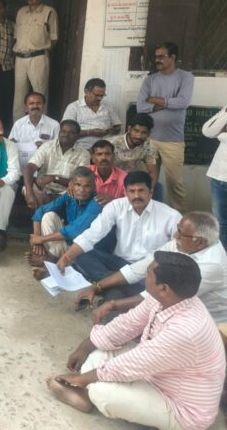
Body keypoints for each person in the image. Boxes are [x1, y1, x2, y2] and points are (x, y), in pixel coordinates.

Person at [47, 251, 225, 430]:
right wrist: (84, 347)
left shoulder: (186, 331)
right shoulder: (166, 299)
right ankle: (89, 394)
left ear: (164, 288)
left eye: (148, 273)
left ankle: (88, 395)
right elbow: (127, 324)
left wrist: (81, 379)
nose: (144, 275)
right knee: (99, 351)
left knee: (103, 393)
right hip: (158, 373)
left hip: (180, 406)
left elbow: (132, 364)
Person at [76, 212, 227, 324]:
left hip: (190, 317)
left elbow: (162, 298)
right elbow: (139, 268)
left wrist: (113, 304)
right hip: (161, 294)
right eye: (178, 229)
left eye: (181, 233)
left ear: (200, 242)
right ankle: (118, 314)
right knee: (110, 279)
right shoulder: (184, 242)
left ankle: (118, 319)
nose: (175, 235)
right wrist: (96, 287)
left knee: (120, 310)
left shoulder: (212, 265)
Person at [56, 172, 182, 283]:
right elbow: (92, 234)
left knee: (155, 278)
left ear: (151, 192)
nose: (136, 196)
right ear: (125, 192)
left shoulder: (171, 216)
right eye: (132, 191)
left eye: (141, 190)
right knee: (80, 255)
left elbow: (179, 250)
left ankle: (109, 284)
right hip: (119, 263)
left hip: (148, 269)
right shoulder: (116, 206)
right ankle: (114, 282)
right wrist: (67, 257)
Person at [136, 42, 194, 213]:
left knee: (175, 183)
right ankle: (147, 214)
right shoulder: (150, 79)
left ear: (172, 57)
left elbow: (183, 102)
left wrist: (155, 100)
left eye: (161, 56)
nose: (157, 60)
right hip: (149, 141)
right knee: (148, 181)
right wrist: (168, 103)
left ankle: (180, 219)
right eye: (156, 57)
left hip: (173, 142)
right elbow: (140, 107)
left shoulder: (185, 77)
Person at [27, 167, 102, 276]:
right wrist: (38, 242)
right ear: (71, 185)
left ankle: (48, 264)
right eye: (78, 185)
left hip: (86, 249)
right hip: (69, 241)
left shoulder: (96, 202)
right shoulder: (69, 195)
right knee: (48, 216)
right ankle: (47, 257)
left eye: (87, 186)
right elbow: (40, 211)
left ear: (94, 187)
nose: (82, 189)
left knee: (58, 247)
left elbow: (74, 231)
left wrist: (41, 239)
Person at [12, 0, 58, 119]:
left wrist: (43, 51)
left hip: (38, 58)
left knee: (40, 94)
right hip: (20, 58)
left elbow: (54, 38)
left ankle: (41, 126)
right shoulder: (21, 12)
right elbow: (16, 36)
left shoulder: (49, 12)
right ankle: (18, 126)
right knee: (19, 95)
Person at [23, 120, 89, 209]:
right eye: (63, 131)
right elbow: (29, 167)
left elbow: (79, 182)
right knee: (29, 189)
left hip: (66, 193)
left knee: (77, 192)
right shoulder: (47, 146)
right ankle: (42, 212)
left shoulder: (83, 154)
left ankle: (44, 213)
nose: (66, 135)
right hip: (43, 189)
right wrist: (29, 193)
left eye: (71, 133)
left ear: (77, 136)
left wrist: (54, 178)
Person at [62, 78, 121, 150]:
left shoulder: (108, 106)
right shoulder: (74, 107)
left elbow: (118, 126)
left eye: (102, 95)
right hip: (83, 147)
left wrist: (113, 130)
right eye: (97, 95)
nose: (99, 98)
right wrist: (90, 132)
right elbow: (67, 132)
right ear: (86, 91)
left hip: (106, 147)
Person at [105, 113, 159, 188]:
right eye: (136, 131)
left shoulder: (149, 145)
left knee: (157, 187)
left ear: (149, 133)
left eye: (144, 133)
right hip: (111, 179)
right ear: (129, 129)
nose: (139, 136)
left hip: (131, 179)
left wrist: (150, 189)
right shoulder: (111, 144)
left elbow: (152, 172)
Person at [9, 92, 60, 170]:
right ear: (26, 107)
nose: (35, 106)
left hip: (45, 167)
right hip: (22, 166)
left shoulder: (54, 124)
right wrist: (14, 144)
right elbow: (10, 145)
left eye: (38, 103)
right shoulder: (18, 124)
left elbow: (58, 147)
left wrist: (45, 147)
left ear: (43, 106)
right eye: (31, 103)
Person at [203, 104, 227, 248]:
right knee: (220, 222)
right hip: (219, 177)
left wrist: (222, 135)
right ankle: (223, 255)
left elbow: (219, 136)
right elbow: (208, 131)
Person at [88, 140, 126, 205]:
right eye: (99, 154)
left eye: (107, 154)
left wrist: (113, 201)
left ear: (113, 156)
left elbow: (131, 202)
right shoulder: (85, 172)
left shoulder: (124, 178)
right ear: (93, 158)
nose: (104, 158)